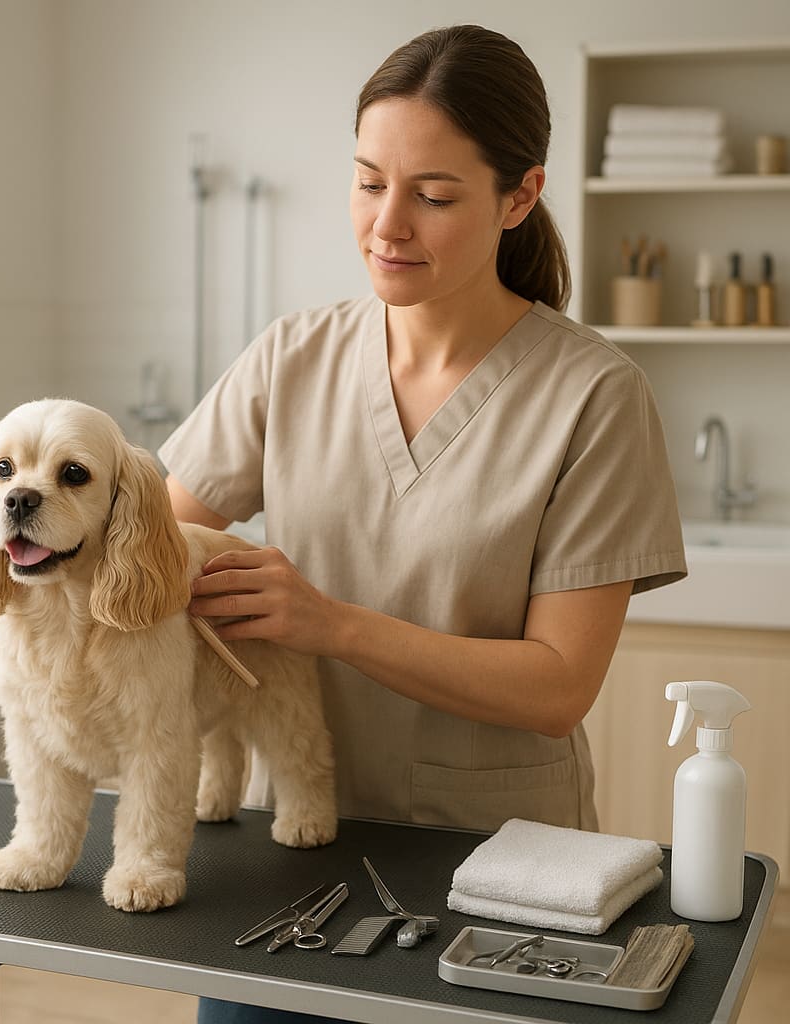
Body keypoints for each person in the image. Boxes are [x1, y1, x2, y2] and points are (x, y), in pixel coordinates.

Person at [159, 24, 686, 1024]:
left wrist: (329, 623)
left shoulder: (594, 397)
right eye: (367, 183)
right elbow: (149, 553)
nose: (385, 225)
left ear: (519, 196)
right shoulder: (291, 359)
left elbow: (558, 685)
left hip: (503, 875)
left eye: (433, 195)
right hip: (295, 864)